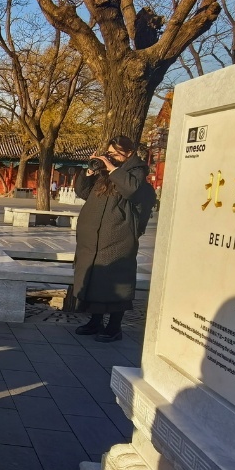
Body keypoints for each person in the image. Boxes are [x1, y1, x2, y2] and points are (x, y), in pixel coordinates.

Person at [68, 135, 157, 342]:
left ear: (129, 153)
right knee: (96, 279)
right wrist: (90, 172)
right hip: (95, 239)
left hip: (118, 237)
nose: (111, 157)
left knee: (116, 282)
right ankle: (95, 321)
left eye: (116, 154)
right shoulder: (106, 173)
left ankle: (114, 328)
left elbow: (132, 190)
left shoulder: (136, 171)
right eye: (109, 153)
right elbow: (83, 192)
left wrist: (113, 169)